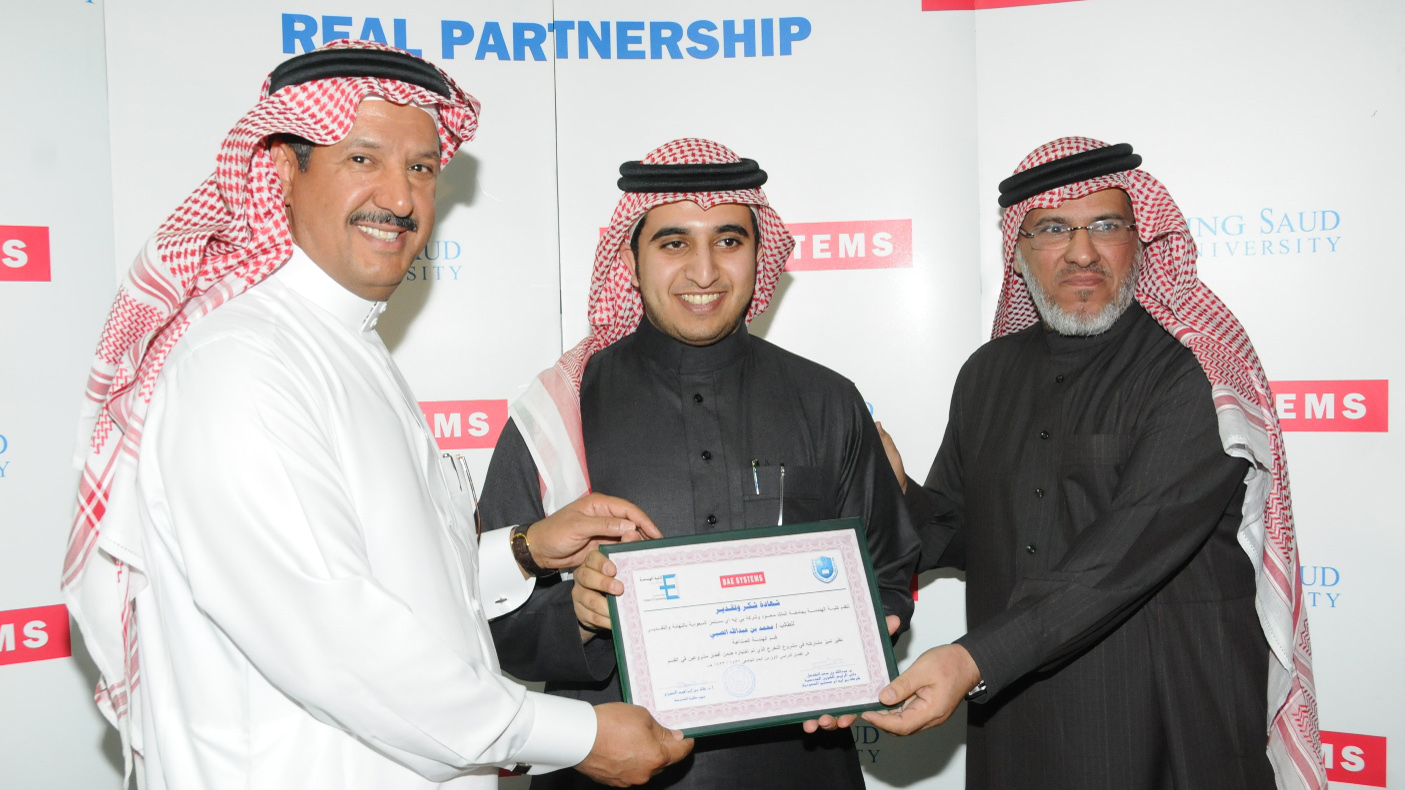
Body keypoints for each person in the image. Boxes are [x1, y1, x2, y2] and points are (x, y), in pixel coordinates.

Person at [61, 41, 690, 790]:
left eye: (421, 168)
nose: (399, 198)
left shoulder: (347, 348)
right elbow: (334, 638)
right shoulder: (241, 363)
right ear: (284, 169)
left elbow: (393, 577)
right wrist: (574, 734)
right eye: (362, 159)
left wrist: (521, 550)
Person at [867, 138, 1325, 790]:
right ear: (1017, 251)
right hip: (1020, 709)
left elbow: (1123, 556)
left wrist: (973, 660)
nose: (1081, 252)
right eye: (1053, 229)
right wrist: (897, 492)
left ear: (1140, 241)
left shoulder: (1195, 372)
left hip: (1166, 708)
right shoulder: (986, 375)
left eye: (1105, 226)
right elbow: (964, 534)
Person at [478, 138, 921, 789]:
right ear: (630, 260)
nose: (704, 271)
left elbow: (885, 573)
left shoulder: (827, 400)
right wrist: (575, 612)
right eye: (673, 243)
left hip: (796, 770)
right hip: (605, 770)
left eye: (729, 241)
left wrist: (865, 638)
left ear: (758, 251)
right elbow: (492, 614)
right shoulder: (558, 410)